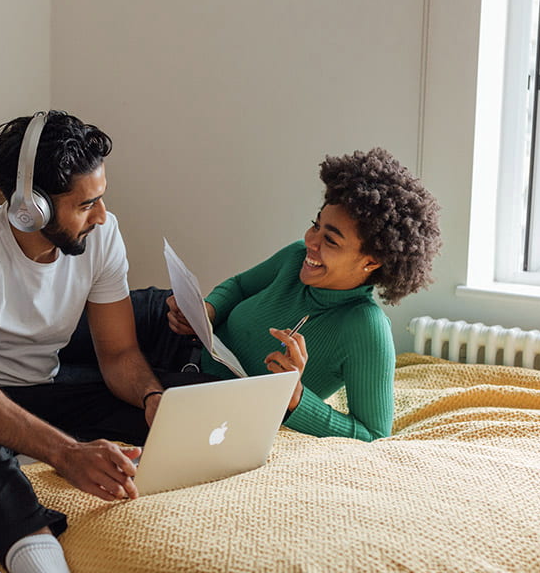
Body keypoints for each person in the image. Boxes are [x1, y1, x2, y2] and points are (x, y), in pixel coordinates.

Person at [0, 111, 209, 573]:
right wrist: (65, 452)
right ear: (31, 206)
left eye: (101, 199)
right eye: (86, 205)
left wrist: (152, 395)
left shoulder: (102, 236)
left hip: (46, 391)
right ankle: (36, 557)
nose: (101, 216)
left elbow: (118, 354)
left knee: (177, 407)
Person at [164, 147, 441, 441]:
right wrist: (208, 309)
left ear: (371, 262)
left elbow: (372, 434)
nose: (311, 241)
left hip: (196, 385)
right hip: (179, 337)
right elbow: (239, 286)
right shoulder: (296, 257)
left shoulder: (365, 328)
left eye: (331, 240)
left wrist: (295, 397)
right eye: (315, 225)